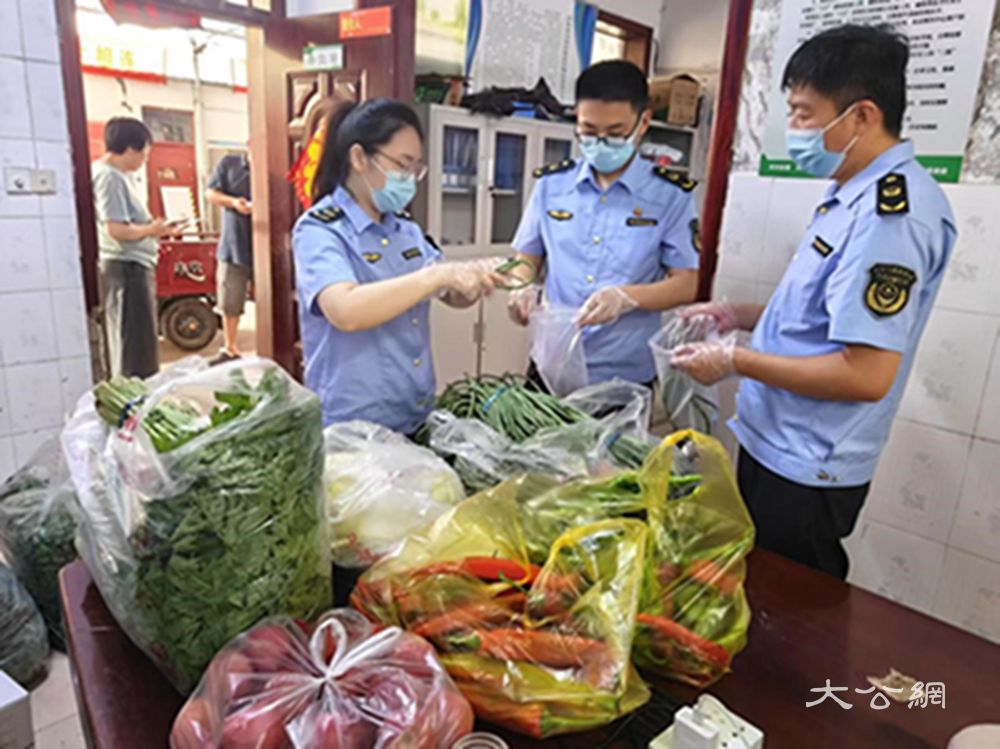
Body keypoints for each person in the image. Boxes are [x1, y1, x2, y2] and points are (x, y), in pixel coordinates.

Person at [672, 25, 957, 580]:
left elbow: (866, 374)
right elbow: (821, 317)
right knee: (755, 588)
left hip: (809, 461)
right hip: (777, 438)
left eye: (804, 114)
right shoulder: (849, 192)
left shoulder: (890, 217)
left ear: (862, 116)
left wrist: (733, 360)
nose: (795, 130)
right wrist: (736, 316)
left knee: (792, 607)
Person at [292, 99, 499, 433]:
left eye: (416, 169)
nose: (410, 180)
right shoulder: (320, 229)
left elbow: (450, 294)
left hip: (414, 409)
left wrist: (474, 281)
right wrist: (436, 277)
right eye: (403, 165)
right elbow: (345, 310)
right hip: (354, 425)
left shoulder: (405, 230)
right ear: (359, 158)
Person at [506, 60, 700, 390]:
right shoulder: (552, 185)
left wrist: (626, 297)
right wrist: (520, 287)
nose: (600, 143)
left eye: (615, 134)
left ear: (643, 122)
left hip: (623, 373)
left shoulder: (670, 196)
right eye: (589, 131)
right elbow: (526, 258)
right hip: (552, 362)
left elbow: (685, 284)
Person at [92, 117, 175, 378]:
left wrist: (157, 229)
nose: (144, 161)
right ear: (130, 149)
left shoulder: (117, 176)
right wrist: (152, 230)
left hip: (131, 267)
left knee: (132, 343)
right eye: (144, 154)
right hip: (126, 270)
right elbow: (117, 230)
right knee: (134, 350)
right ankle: (136, 399)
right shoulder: (109, 177)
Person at [205, 151, 253, 363]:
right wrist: (234, 202)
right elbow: (210, 194)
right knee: (230, 299)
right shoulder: (229, 163)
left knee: (272, 299)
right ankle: (230, 348)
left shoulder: (275, 162)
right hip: (234, 245)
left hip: (267, 246)